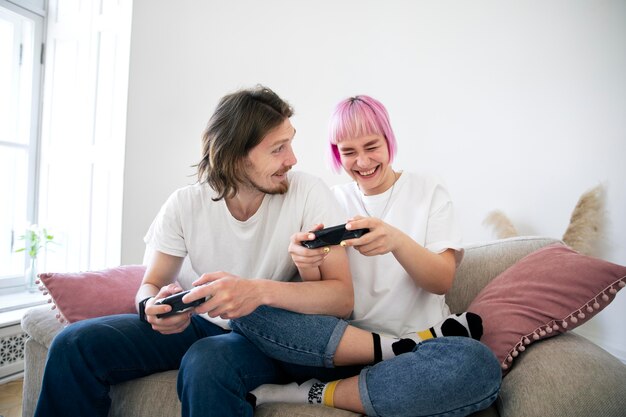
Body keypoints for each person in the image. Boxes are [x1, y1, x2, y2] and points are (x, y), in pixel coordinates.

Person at [33, 85, 355, 417]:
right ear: (234, 154)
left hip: (264, 336)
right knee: (74, 344)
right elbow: (152, 282)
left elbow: (341, 298)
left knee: (205, 362)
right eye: (278, 149)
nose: (292, 159)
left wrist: (255, 293)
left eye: (290, 143)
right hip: (196, 322)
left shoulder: (308, 193)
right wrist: (151, 306)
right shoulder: (185, 203)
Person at [231, 95, 502, 416]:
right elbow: (323, 305)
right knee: (243, 302)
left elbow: (441, 280)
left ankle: (313, 393)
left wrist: (396, 240)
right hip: (344, 352)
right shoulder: (329, 198)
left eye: (371, 147)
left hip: (425, 351)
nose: (361, 162)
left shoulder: (427, 188)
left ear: (389, 140)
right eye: (348, 152)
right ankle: (382, 360)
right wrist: (308, 264)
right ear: (336, 153)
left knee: (477, 363)